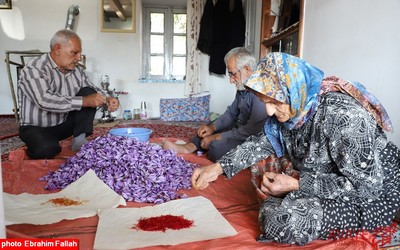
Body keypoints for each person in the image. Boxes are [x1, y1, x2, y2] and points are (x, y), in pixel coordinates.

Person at [191, 52, 400, 245]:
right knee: (266, 166)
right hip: (327, 176)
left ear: (294, 89)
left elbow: (366, 189)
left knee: (283, 221)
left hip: (371, 194)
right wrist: (217, 168)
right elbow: (260, 144)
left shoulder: (345, 118)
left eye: (274, 102)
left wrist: (297, 184)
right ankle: (289, 198)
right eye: (265, 102)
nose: (269, 111)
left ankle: (290, 201)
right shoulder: (295, 108)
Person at [18, 29, 120, 159]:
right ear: (57, 49)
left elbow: (91, 89)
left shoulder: (76, 70)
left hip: (63, 123)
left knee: (88, 92)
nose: (79, 58)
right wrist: (85, 101)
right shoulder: (35, 68)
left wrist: (107, 100)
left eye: (80, 53)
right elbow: (43, 100)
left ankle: (79, 139)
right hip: (36, 127)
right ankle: (47, 144)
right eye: (74, 52)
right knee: (46, 150)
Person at [163, 47, 268, 162]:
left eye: (233, 74)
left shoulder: (261, 92)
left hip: (251, 137)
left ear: (247, 69)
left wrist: (216, 137)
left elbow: (250, 131)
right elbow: (231, 114)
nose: (231, 80)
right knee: (209, 127)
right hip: (238, 129)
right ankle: (187, 148)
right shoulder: (243, 87)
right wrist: (212, 128)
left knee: (216, 148)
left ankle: (208, 146)